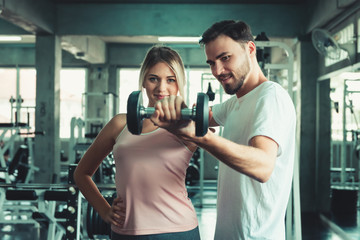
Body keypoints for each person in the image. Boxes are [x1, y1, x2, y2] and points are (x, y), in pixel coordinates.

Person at [150, 20, 296, 240]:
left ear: (250, 49)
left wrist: (199, 136)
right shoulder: (237, 102)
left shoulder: (270, 97)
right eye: (211, 63)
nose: (217, 71)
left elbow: (263, 166)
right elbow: (199, 114)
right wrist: (171, 104)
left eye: (225, 58)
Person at [73, 46, 200, 240]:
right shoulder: (119, 124)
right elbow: (81, 173)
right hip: (126, 231)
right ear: (143, 81)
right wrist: (105, 211)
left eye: (170, 80)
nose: (161, 88)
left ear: (179, 84)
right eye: (153, 78)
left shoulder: (188, 125)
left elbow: (215, 136)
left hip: (177, 230)